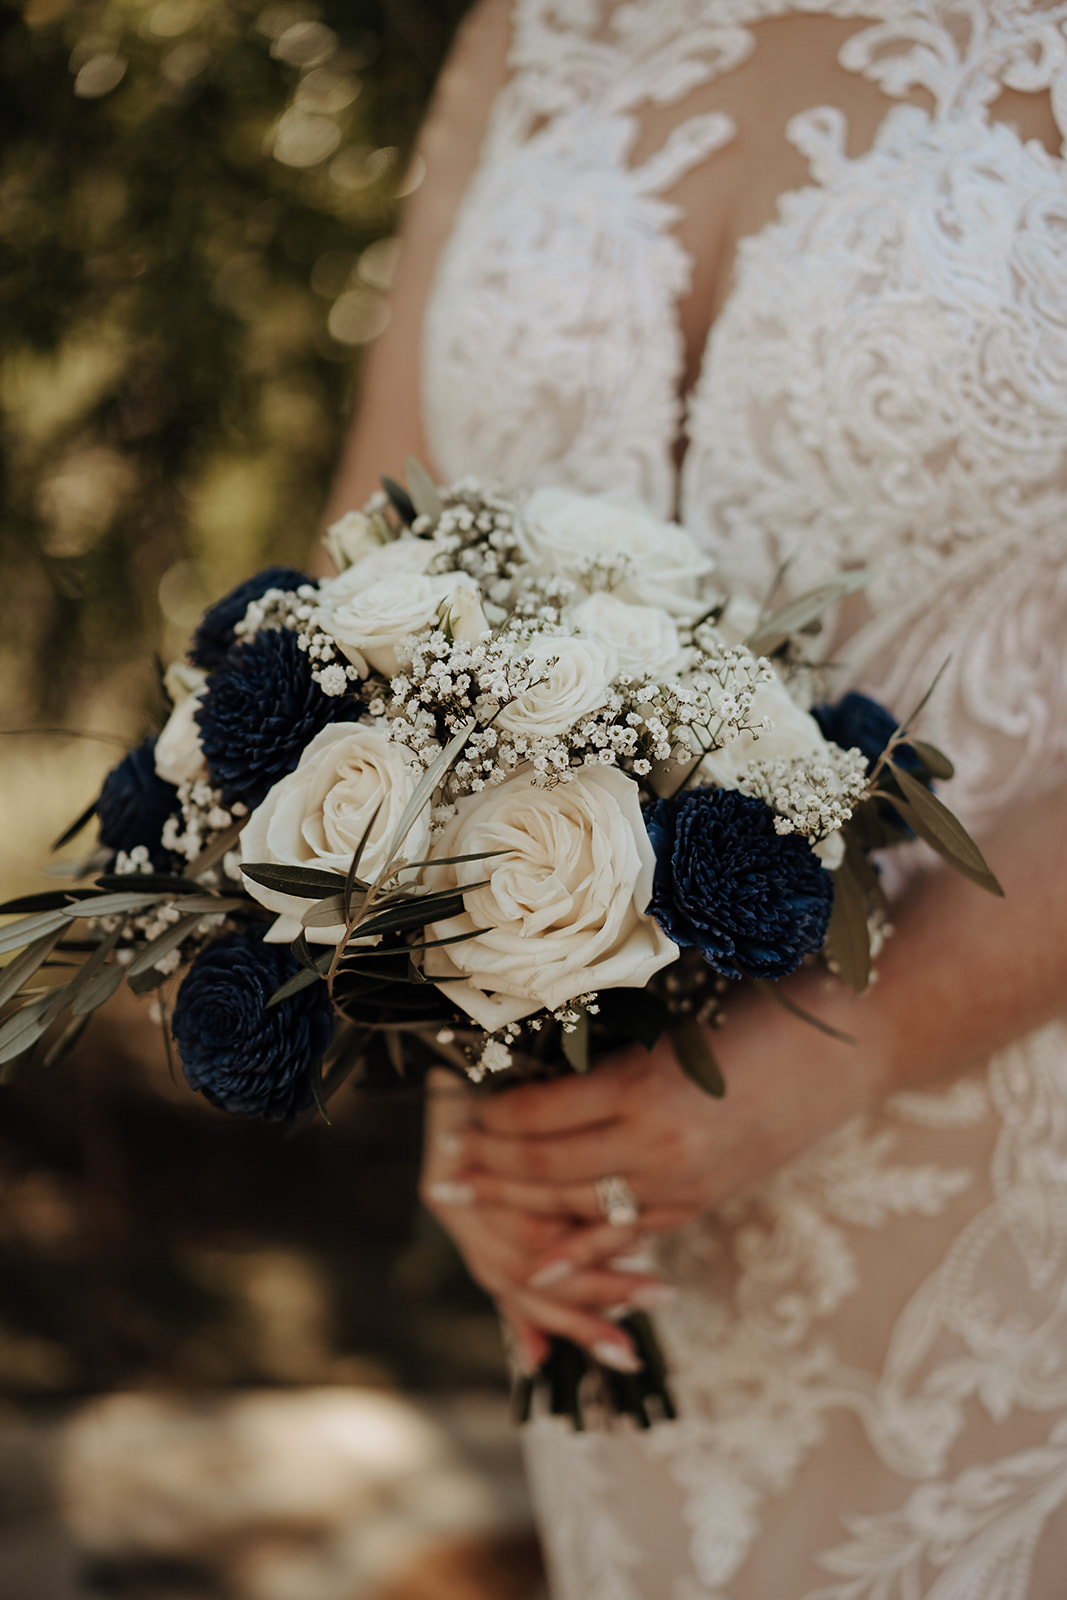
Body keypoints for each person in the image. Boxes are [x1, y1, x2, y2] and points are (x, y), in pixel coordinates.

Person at [326, 1, 1067, 1593]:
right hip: (619, 1236)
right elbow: (372, 555)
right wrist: (450, 1045)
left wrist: (845, 1056)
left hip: (1013, 1190)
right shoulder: (528, 30)